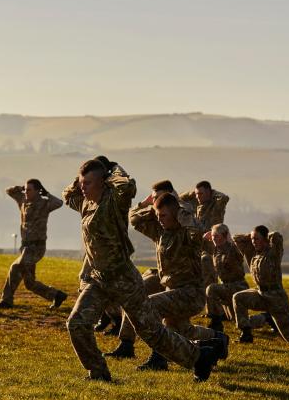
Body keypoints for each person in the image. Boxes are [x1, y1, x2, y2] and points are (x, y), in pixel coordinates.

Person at [63, 159, 225, 382]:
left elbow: (127, 186)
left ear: (103, 182)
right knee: (77, 323)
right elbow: (67, 195)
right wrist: (82, 176)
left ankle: (199, 356)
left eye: (88, 183)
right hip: (99, 280)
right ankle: (98, 372)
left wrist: (113, 169)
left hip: (124, 279)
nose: (83, 187)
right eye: (83, 183)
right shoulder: (85, 203)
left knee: (151, 332)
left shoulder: (114, 201)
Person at [105, 192, 227, 370]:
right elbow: (134, 220)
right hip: (173, 291)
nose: (160, 219)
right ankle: (217, 339)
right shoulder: (160, 232)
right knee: (182, 330)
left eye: (164, 215)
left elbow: (199, 232)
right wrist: (148, 206)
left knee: (150, 305)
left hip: (190, 293)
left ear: (176, 214)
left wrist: (183, 214)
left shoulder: (188, 234)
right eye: (157, 215)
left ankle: (158, 358)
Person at [0, 179, 68, 310]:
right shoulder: (23, 200)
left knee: (15, 267)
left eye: (29, 190)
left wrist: (47, 193)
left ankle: (6, 301)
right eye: (25, 190)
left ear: (38, 191)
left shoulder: (44, 204)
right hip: (25, 247)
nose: (26, 192)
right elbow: (9, 191)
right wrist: (21, 187)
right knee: (29, 283)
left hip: (36, 248)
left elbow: (59, 203)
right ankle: (57, 295)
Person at [180, 181, 231, 286]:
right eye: (197, 194)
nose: (198, 197)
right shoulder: (197, 204)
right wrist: (192, 193)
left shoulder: (216, 204)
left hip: (212, 247)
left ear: (209, 192)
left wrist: (213, 192)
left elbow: (224, 197)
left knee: (210, 280)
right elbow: (179, 199)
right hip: (200, 247)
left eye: (201, 194)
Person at [203, 223, 249, 333]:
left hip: (238, 285)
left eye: (217, 236)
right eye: (213, 236)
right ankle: (265, 318)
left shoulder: (233, 248)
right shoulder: (216, 249)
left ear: (224, 236)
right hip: (226, 286)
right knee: (234, 319)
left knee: (211, 289)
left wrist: (230, 238)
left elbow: (243, 241)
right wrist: (207, 236)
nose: (214, 239)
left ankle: (216, 322)